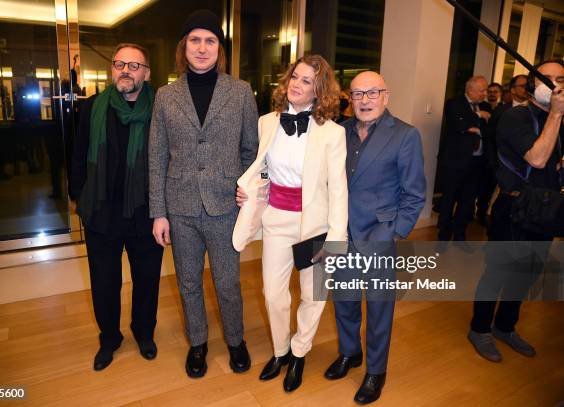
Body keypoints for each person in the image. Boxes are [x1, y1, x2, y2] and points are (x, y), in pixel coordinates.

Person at [149, 9, 258, 378]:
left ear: (219, 49)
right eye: (195, 40)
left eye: (210, 40)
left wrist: (247, 191)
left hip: (225, 205)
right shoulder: (165, 96)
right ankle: (198, 343)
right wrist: (158, 212)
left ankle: (236, 340)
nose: (202, 47)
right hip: (179, 208)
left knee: (228, 283)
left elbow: (251, 152)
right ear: (184, 47)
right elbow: (156, 155)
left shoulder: (241, 92)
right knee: (189, 282)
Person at [233, 54, 347, 392]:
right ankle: (281, 350)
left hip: (314, 225)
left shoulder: (333, 133)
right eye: (295, 77)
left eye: (307, 81)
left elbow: (339, 191)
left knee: (313, 294)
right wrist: (249, 192)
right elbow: (264, 170)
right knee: (273, 293)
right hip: (276, 220)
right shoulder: (268, 122)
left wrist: (336, 241)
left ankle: (299, 352)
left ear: (319, 90)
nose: (297, 84)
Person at [325, 71, 425, 404]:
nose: (364, 100)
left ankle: (375, 371)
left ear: (386, 95)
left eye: (372, 93)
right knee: (344, 300)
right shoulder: (339, 132)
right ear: (349, 99)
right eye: (357, 94)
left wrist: (393, 232)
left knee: (379, 309)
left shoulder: (406, 135)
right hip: (341, 232)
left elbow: (414, 195)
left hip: (378, 235)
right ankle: (349, 353)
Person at [70, 43, 164, 371]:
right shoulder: (92, 107)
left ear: (147, 73)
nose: (125, 70)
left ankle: (143, 332)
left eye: (134, 65)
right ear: (112, 69)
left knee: (147, 280)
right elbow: (79, 156)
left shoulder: (161, 110)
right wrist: (80, 198)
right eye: (119, 64)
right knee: (105, 281)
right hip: (102, 213)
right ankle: (109, 338)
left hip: (146, 213)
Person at [468, 59, 564, 362]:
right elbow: (537, 158)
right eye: (546, 79)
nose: (555, 85)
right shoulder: (516, 117)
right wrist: (557, 114)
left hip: (546, 209)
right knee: (498, 272)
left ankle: (505, 326)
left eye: (561, 79)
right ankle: (479, 328)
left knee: (528, 274)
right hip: (513, 207)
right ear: (533, 84)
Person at [438, 76, 491, 241]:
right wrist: (477, 116)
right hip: (455, 161)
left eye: (486, 90)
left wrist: (473, 123)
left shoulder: (486, 107)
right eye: (481, 90)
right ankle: (444, 236)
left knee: (467, 201)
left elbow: (489, 130)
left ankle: (460, 235)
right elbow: (459, 125)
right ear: (470, 90)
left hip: (477, 162)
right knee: (449, 199)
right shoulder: (454, 103)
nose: (485, 94)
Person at [479, 75, 529, 224]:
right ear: (513, 90)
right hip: (501, 165)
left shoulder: (534, 112)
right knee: (492, 197)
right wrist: (494, 162)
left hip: (525, 167)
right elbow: (491, 138)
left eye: (529, 86)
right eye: (523, 86)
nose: (527, 89)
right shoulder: (502, 111)